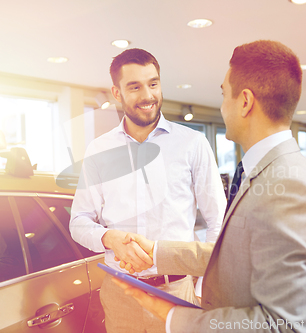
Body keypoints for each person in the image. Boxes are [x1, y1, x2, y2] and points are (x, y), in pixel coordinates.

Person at [114, 40, 306, 333]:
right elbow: (237, 255)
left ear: (245, 102)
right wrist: (157, 252)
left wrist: (172, 316)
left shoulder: (291, 189)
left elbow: (283, 326)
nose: (222, 106)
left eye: (224, 95)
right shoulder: (270, 174)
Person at [69, 48, 226, 333]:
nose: (148, 95)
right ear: (116, 93)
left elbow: (219, 220)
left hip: (177, 292)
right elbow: (79, 221)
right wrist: (107, 237)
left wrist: (205, 286)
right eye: (135, 87)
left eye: (153, 84)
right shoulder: (99, 150)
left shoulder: (193, 143)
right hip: (119, 294)